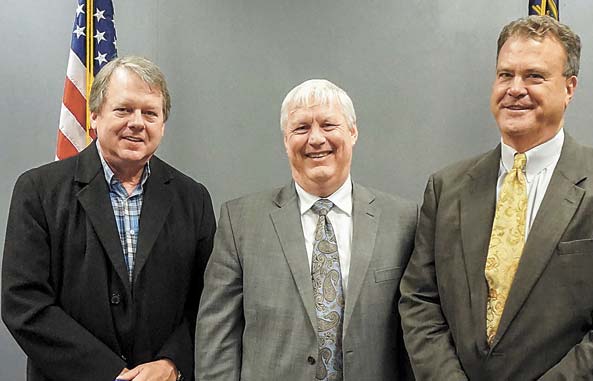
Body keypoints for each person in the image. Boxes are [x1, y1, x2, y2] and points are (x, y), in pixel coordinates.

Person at [400, 15, 593, 380]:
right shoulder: (446, 188)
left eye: (534, 76)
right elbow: (420, 301)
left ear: (569, 88)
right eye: (505, 75)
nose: (515, 88)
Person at [1, 56, 216, 381]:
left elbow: (208, 300)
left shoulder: (192, 198)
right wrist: (110, 373)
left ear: (162, 125)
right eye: (124, 110)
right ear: (95, 116)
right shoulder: (39, 190)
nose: (137, 122)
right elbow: (23, 301)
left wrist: (173, 364)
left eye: (150, 113)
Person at [195, 79, 416, 381]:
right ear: (286, 140)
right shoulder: (240, 222)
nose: (315, 139)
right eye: (301, 128)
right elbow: (216, 341)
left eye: (328, 125)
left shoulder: (403, 221)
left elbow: (418, 334)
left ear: (353, 132)